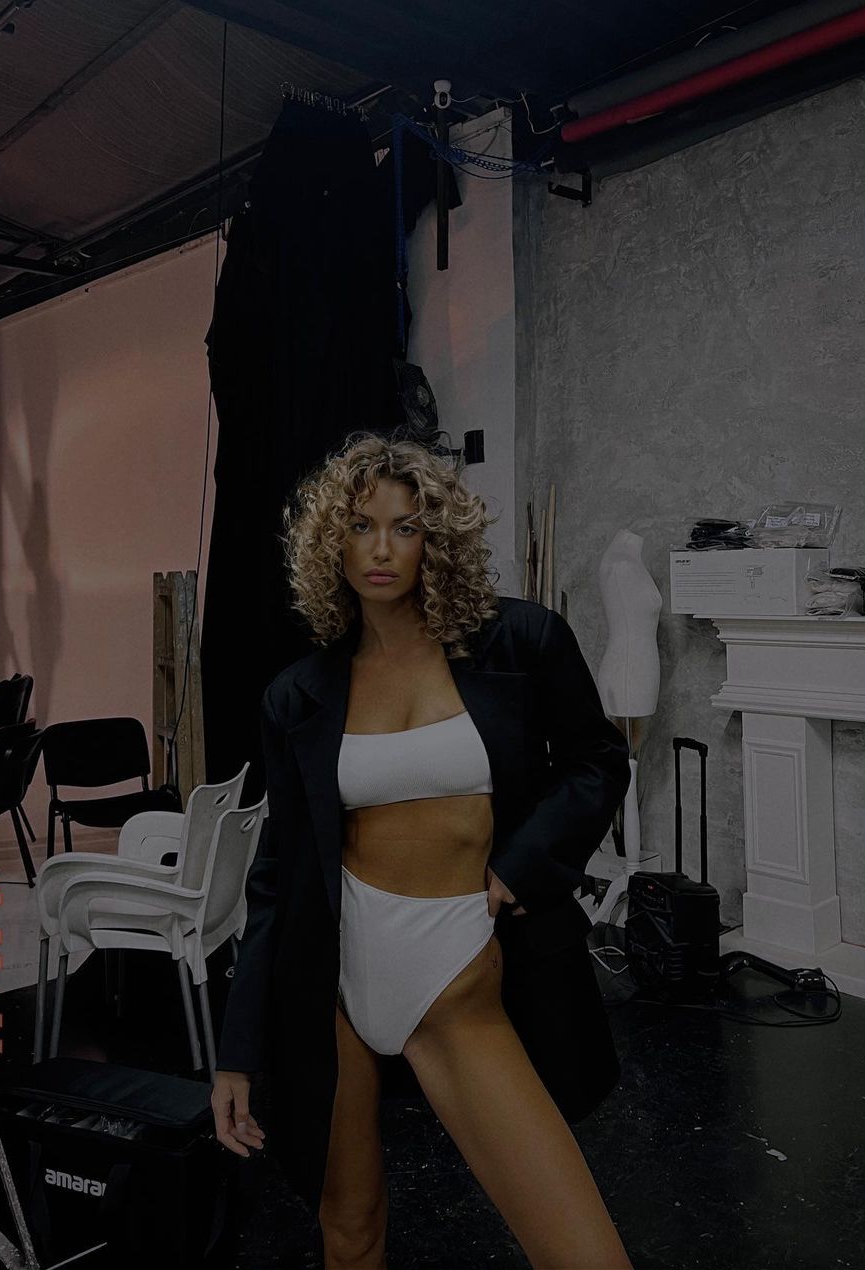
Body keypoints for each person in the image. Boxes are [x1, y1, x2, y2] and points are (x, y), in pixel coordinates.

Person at [211, 431, 633, 1269]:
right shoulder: (298, 695)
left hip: (454, 970)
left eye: (405, 528)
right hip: (334, 976)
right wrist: (238, 1051)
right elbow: (277, 878)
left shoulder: (519, 641)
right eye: (360, 526)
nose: (381, 549)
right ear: (331, 544)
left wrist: (519, 867)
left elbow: (597, 760)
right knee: (349, 1231)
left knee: (582, 1255)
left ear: (435, 539)